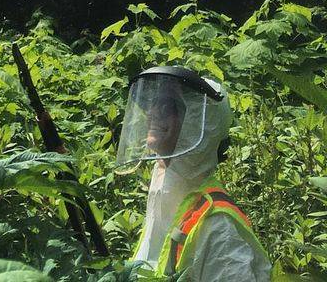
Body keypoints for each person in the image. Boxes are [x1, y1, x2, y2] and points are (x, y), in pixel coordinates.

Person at [115, 65, 271, 280]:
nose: (152, 113)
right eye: (153, 103)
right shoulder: (165, 196)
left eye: (168, 106)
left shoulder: (218, 229)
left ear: (198, 122)